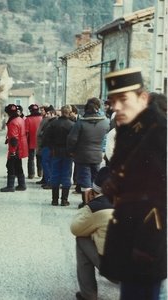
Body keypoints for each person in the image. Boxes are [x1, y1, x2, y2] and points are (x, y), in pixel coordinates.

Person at [100, 67, 167, 300]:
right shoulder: (131, 129)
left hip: (146, 243)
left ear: (143, 98)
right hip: (129, 234)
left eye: (123, 99)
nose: (115, 107)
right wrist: (112, 185)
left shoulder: (160, 133)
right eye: (112, 101)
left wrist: (148, 246)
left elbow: (162, 196)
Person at [70, 167, 114, 300]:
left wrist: (88, 205)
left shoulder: (97, 206)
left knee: (82, 239)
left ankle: (88, 295)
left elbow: (75, 228)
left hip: (115, 271)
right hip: (146, 272)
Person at [67, 97, 110, 208]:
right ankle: (95, 201)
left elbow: (72, 139)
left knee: (85, 178)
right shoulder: (105, 122)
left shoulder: (80, 123)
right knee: (95, 178)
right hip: (97, 154)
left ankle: (86, 202)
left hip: (82, 155)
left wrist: (71, 151)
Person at [44, 105, 75, 206]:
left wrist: (51, 147)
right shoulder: (72, 125)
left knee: (55, 174)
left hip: (55, 151)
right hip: (68, 152)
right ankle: (64, 199)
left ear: (61, 112)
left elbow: (46, 137)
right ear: (70, 112)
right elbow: (74, 140)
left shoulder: (53, 123)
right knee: (66, 174)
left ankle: (54, 199)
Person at [0, 104, 28, 192]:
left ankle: (10, 186)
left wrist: (12, 152)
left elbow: (14, 139)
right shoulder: (20, 119)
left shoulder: (13, 122)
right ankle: (22, 184)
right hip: (22, 146)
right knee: (18, 165)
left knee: (10, 165)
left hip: (16, 148)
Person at [36, 105, 57, 189]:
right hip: (46, 145)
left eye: (48, 113)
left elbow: (46, 133)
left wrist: (41, 135)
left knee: (47, 164)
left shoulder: (51, 122)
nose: (46, 114)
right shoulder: (48, 120)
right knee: (46, 163)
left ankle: (49, 181)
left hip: (48, 146)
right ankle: (46, 179)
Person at [25, 104, 43, 179]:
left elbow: (26, 132)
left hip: (30, 141)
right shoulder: (42, 118)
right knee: (40, 157)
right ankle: (40, 172)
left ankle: (31, 174)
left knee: (31, 158)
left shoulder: (28, 119)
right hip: (40, 141)